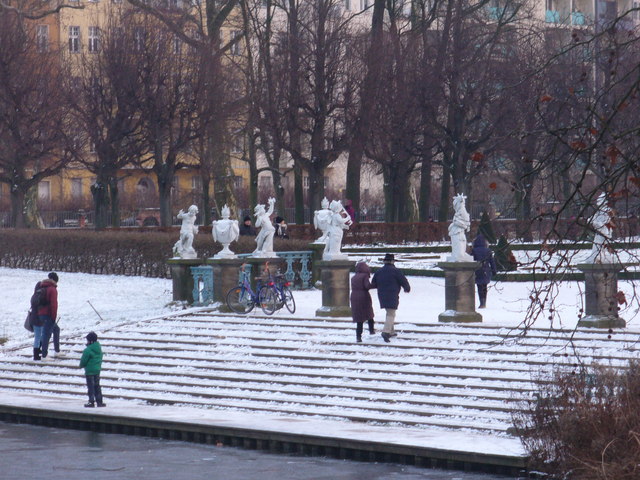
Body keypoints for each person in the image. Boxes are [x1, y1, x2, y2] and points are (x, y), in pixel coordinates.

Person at [371, 254, 410, 343]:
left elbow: (373, 283)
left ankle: (391, 331)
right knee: (391, 314)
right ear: (392, 261)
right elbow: (403, 280)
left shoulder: (379, 271)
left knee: (390, 312)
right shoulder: (396, 271)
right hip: (392, 294)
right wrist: (406, 288)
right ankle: (386, 332)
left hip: (382, 295)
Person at [350, 261, 376, 343]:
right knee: (369, 313)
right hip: (363, 296)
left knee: (359, 317)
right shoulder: (364, 276)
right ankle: (371, 330)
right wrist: (375, 285)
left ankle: (358, 336)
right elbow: (367, 286)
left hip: (354, 296)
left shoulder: (353, 277)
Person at [80, 331, 105, 408]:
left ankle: (91, 401)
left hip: (89, 371)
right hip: (97, 370)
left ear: (90, 341)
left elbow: (83, 361)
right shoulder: (99, 349)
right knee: (97, 386)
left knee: (91, 387)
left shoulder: (87, 350)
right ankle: (99, 401)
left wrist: (81, 365)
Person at [471, 233, 497, 309]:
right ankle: (484, 302)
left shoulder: (474, 250)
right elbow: (492, 261)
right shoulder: (488, 250)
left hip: (477, 271)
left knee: (479, 287)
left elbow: (471, 260)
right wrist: (494, 270)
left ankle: (481, 302)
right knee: (484, 287)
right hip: (486, 270)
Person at [37, 272, 59, 360]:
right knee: (46, 333)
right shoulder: (52, 289)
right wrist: (54, 316)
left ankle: (57, 351)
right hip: (48, 314)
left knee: (56, 329)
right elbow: (54, 304)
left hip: (41, 313)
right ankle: (44, 355)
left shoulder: (42, 286)